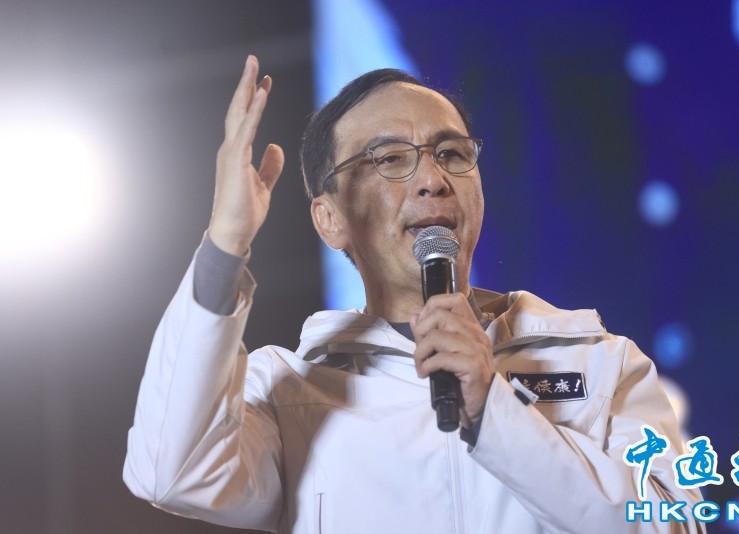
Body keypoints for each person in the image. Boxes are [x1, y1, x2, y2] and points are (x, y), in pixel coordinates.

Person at [124, 55, 704, 533]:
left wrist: (495, 410)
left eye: (452, 153)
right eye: (390, 159)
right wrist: (225, 246)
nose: (433, 180)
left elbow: (674, 526)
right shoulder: (290, 394)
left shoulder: (599, 362)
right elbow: (172, 472)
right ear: (330, 219)